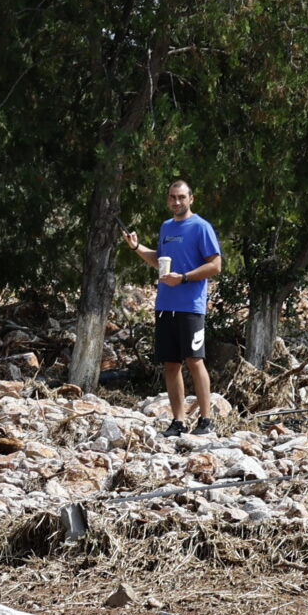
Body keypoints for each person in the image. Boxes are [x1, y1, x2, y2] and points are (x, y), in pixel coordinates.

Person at [122, 178, 223, 437]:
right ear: (168, 200)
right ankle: (178, 422)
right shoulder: (166, 227)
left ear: (191, 199)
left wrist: (185, 277)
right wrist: (136, 247)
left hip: (191, 306)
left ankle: (206, 420)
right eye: (172, 197)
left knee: (194, 360)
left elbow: (215, 265)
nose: (177, 201)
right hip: (165, 305)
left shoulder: (201, 227)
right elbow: (159, 260)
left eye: (181, 197)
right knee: (170, 364)